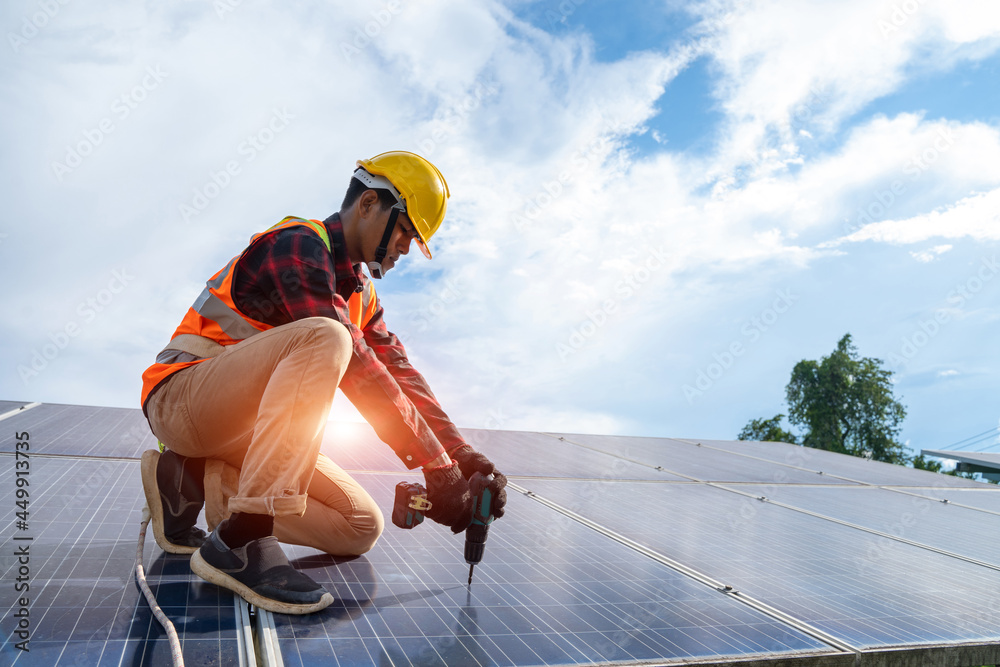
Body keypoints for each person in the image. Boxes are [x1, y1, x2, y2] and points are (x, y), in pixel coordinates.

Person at [139, 151, 507, 615]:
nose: (406, 248)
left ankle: (190, 479)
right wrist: (435, 468)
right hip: (182, 400)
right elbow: (355, 366)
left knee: (358, 526)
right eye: (406, 231)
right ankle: (242, 539)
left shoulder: (361, 295)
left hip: (242, 435)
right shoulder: (297, 245)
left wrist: (460, 456)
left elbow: (400, 375)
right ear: (370, 203)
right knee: (330, 337)